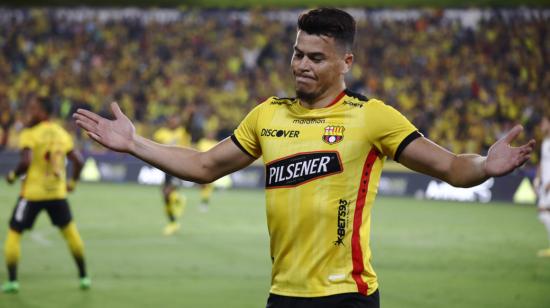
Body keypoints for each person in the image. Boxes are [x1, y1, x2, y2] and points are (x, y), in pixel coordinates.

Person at [74, 8, 535, 308]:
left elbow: (451, 167)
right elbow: (203, 166)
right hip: (283, 296)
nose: (301, 65)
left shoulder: (372, 117)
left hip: (347, 296)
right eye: (297, 54)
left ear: (346, 62)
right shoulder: (267, 114)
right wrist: (136, 144)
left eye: (316, 57)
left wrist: (484, 167)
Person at [3, 97, 90, 293]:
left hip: (32, 194)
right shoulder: (62, 134)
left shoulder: (30, 134)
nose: (29, 113)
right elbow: (79, 161)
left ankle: (13, 281)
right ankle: (84, 276)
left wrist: (12, 175)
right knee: (70, 233)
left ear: (42, 112)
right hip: (58, 194)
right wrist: (73, 182)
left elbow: (26, 162)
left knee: (14, 232)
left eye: (32, 109)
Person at [153, 114, 191, 235]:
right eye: (172, 120)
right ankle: (173, 220)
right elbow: (155, 145)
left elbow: (190, 126)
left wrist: (190, 115)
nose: (174, 122)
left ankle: (173, 221)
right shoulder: (161, 133)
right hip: (166, 167)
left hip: (180, 164)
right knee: (165, 195)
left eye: (176, 120)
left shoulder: (183, 132)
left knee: (168, 192)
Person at [534, 114, 550, 257]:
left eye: (544, 123)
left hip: (549, 185)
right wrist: (537, 179)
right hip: (545, 184)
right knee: (543, 213)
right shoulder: (545, 141)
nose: (541, 126)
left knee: (544, 211)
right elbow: (542, 163)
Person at [195, 130, 218, 212]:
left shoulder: (217, 143)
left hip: (212, 168)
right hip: (202, 166)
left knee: (207, 186)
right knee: (203, 186)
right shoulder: (202, 142)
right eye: (209, 133)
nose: (210, 135)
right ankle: (204, 202)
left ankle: (204, 202)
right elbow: (197, 152)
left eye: (212, 133)